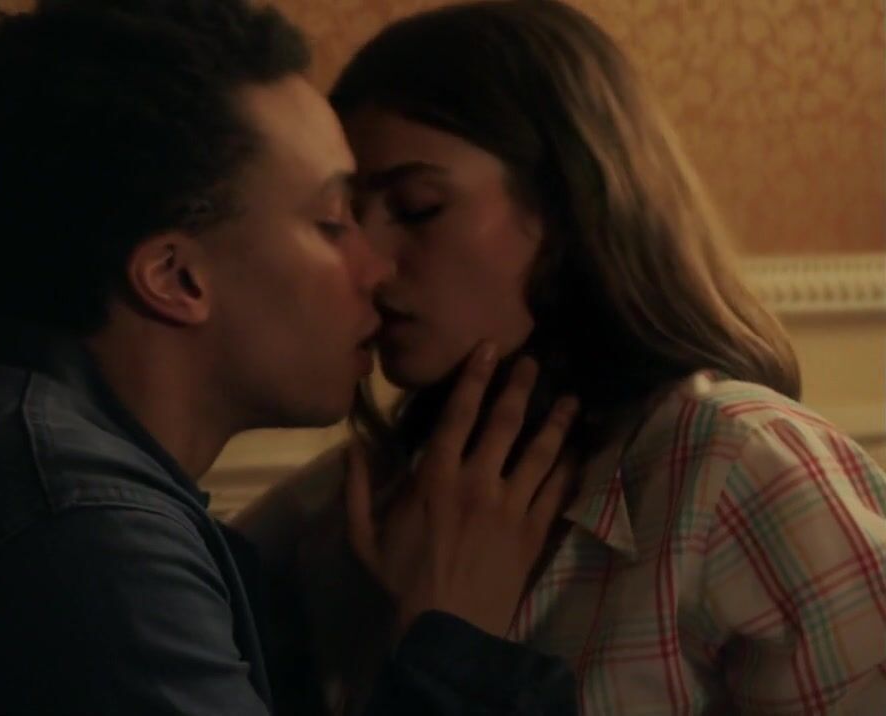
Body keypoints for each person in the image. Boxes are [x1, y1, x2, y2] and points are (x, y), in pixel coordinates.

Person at [0, 1, 580, 713]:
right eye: (332, 223)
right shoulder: (79, 528)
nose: (377, 267)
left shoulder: (22, 465)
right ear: (176, 277)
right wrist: (457, 646)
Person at [235, 1, 886, 713]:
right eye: (344, 219)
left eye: (418, 207)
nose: (371, 262)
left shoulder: (741, 471)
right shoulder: (341, 507)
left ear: (572, 204)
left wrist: (452, 653)